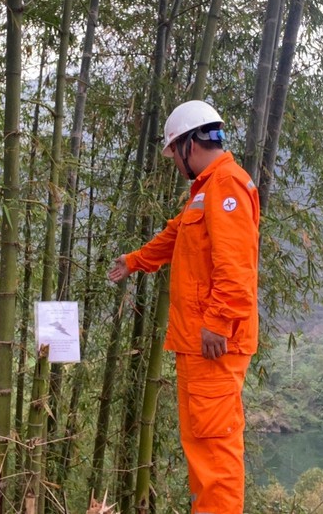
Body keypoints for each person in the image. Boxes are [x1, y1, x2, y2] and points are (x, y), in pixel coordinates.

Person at [109, 100, 259, 514]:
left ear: (190, 145)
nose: (174, 161)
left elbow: (236, 264)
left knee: (216, 452)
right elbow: (174, 237)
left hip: (213, 343)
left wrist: (218, 321)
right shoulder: (205, 191)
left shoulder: (226, 186)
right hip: (198, 343)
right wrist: (134, 261)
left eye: (173, 152)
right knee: (201, 447)